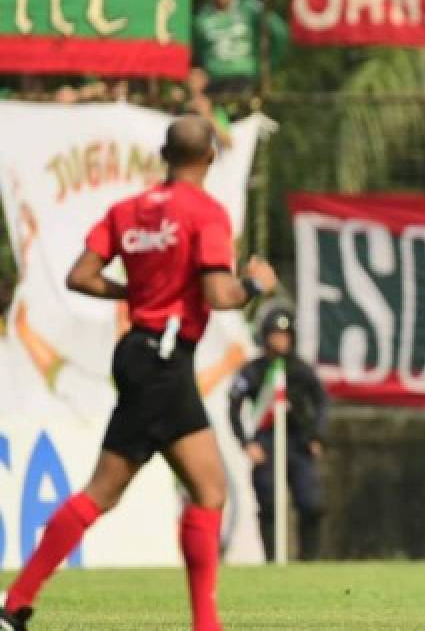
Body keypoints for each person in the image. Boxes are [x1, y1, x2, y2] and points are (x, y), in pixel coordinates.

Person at [0, 116, 276, 631]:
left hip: (136, 354)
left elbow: (80, 276)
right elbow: (219, 295)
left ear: (163, 156)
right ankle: (202, 623)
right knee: (189, 490)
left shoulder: (128, 211)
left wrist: (130, 293)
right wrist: (255, 284)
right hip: (167, 361)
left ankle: (17, 601)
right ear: (211, 158)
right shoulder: (206, 213)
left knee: (167, 489)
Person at [228, 305, 328, 562]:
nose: (281, 341)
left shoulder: (301, 370)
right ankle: (272, 560)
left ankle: (310, 561)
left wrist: (317, 435)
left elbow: (321, 401)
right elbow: (234, 406)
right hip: (266, 441)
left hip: (298, 441)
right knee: (268, 503)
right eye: (275, 335)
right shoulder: (254, 370)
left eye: (285, 336)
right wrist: (246, 442)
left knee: (311, 504)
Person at [191, 0, 288, 95]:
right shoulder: (202, 17)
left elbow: (279, 32)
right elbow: (195, 50)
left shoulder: (250, 7)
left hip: (244, 78)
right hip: (214, 81)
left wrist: (267, 65)